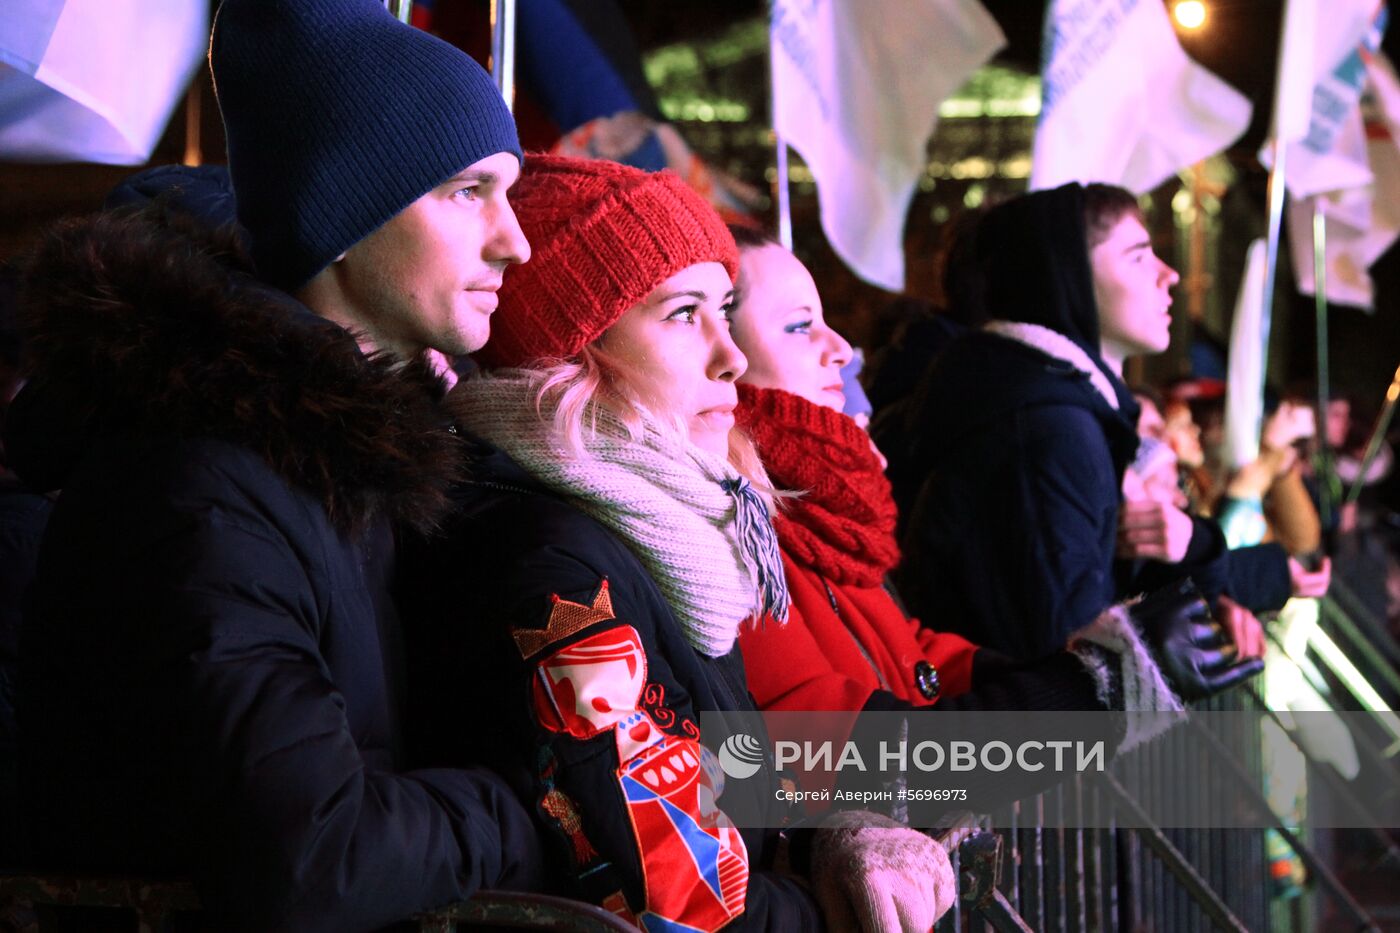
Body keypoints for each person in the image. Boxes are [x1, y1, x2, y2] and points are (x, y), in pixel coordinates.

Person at [1, 1, 544, 929]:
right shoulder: (205, 491)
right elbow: (313, 858)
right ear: (342, 209)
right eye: (468, 191)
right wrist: (527, 811)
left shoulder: (339, 466)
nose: (514, 241)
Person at [397, 153, 955, 933]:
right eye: (684, 313)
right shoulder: (556, 567)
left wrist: (828, 835)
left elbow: (729, 785)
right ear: (573, 347)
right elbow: (693, 905)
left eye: (726, 312)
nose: (731, 358)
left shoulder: (668, 531)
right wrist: (835, 908)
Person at [725, 228, 1259, 729]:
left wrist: (1071, 668)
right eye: (799, 326)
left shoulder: (818, 504)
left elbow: (906, 653)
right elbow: (848, 767)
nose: (839, 347)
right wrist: (1093, 690)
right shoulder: (730, 532)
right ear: (720, 356)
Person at [880, 184, 1227, 659]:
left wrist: (1199, 548)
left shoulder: (1047, 407)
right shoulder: (1049, 432)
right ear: (1068, 276)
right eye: (1138, 257)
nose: (1169, 274)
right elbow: (1070, 668)